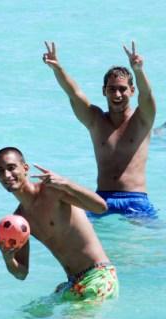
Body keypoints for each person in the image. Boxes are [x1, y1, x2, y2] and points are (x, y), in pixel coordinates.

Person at [43, 41, 156, 219]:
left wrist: (138, 70)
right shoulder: (95, 120)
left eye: (122, 89)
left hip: (136, 200)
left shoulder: (143, 119)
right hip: (101, 200)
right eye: (112, 89)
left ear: (132, 90)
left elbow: (147, 95)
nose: (117, 95)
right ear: (104, 91)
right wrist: (57, 69)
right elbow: (74, 93)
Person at [0, 147, 118, 302]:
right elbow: (21, 274)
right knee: (32, 316)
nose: (6, 175)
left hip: (98, 275)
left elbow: (101, 207)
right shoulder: (20, 221)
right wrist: (8, 257)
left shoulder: (52, 191)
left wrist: (65, 183)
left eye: (11, 168)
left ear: (25, 168)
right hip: (73, 283)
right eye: (0, 170)